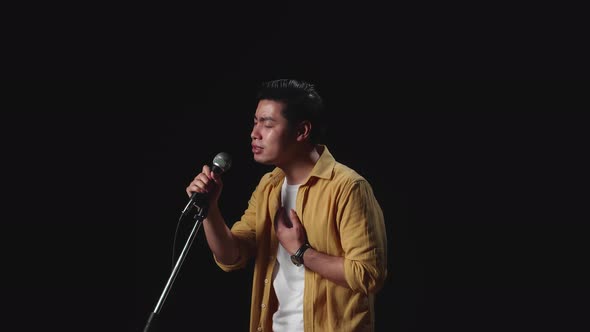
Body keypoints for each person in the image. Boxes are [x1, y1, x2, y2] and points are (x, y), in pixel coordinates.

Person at [186, 79, 387, 332]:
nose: (254, 133)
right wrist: (210, 209)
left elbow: (367, 275)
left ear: (302, 131)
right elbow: (232, 256)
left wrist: (301, 251)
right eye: (255, 121)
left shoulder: (348, 187)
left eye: (267, 124)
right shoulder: (268, 187)